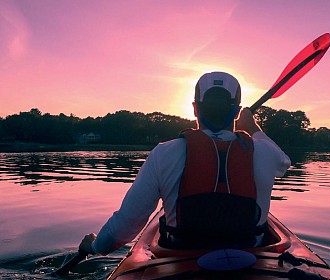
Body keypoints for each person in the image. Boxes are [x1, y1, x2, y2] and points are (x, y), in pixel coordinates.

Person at [79, 71, 291, 254]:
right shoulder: (265, 152)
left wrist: (95, 246)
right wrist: (253, 127)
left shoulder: (164, 153)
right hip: (251, 257)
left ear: (195, 109)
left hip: (181, 257)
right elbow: (284, 162)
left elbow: (124, 227)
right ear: (236, 112)